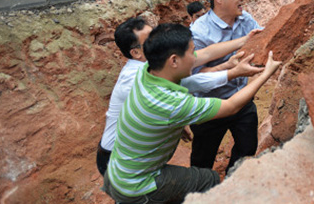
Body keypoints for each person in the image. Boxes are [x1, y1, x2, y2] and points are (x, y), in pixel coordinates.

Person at [102, 23, 281, 203]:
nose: (194, 57)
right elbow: (231, 106)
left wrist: (235, 62)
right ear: (173, 61)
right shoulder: (171, 104)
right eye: (191, 51)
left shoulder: (146, 71)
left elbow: (204, 59)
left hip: (119, 171)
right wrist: (265, 75)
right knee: (208, 180)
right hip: (137, 186)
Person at [189, 0, 264, 172]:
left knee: (247, 148)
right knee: (203, 158)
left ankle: (233, 182)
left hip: (241, 99)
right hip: (210, 106)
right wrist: (228, 69)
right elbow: (195, 79)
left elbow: (263, 41)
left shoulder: (246, 19)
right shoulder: (199, 33)